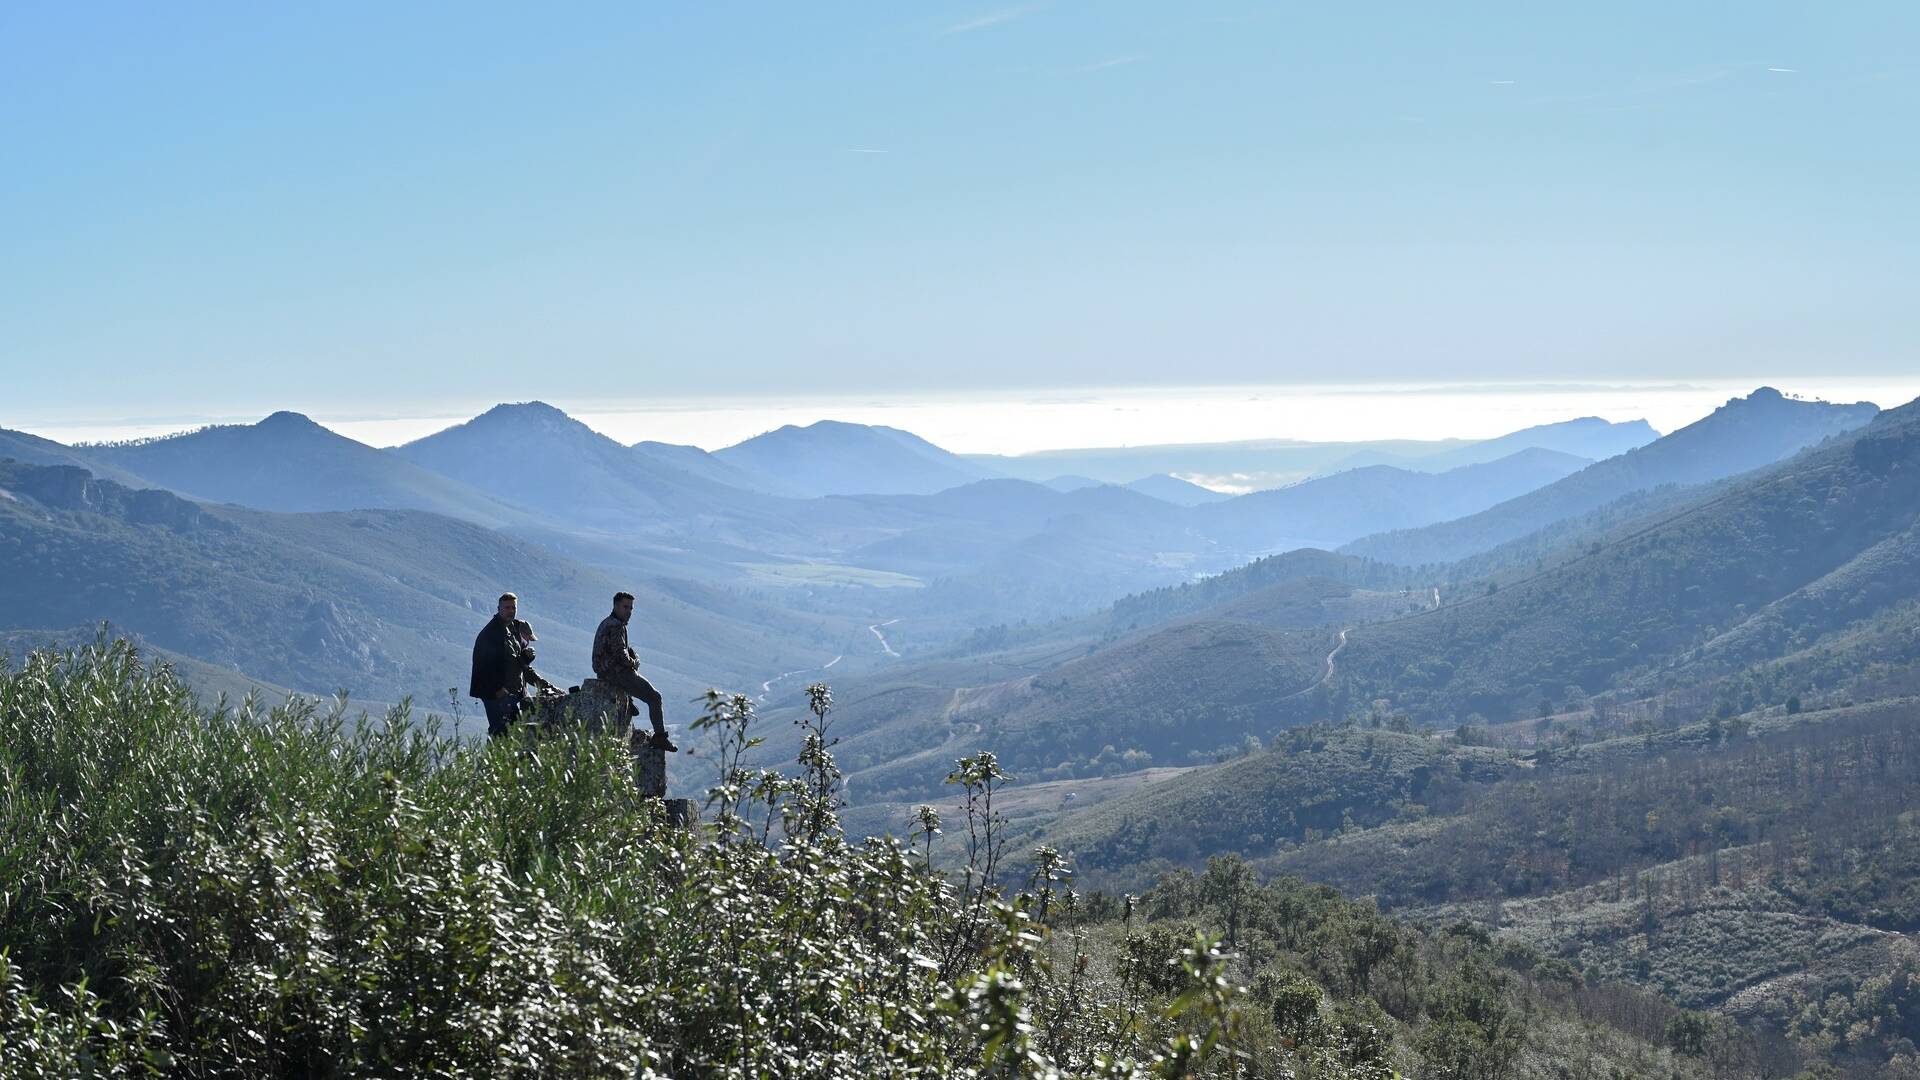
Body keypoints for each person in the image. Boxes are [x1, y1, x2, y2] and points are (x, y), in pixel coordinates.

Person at [593, 591, 675, 750]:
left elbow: (617, 648)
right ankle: (660, 737)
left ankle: (629, 701)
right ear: (616, 606)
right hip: (616, 673)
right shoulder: (616, 626)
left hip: (605, 671)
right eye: (625, 607)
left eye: (631, 608)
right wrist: (635, 661)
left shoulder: (607, 623)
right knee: (655, 698)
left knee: (638, 687)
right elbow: (622, 657)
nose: (629, 611)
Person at [470, 592, 538, 737]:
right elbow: (484, 666)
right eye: (507, 608)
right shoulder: (491, 634)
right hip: (496, 694)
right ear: (499, 609)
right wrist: (499, 690)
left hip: (509, 693)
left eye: (513, 608)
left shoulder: (511, 630)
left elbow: (514, 663)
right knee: (501, 733)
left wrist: (525, 659)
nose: (511, 611)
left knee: (513, 732)